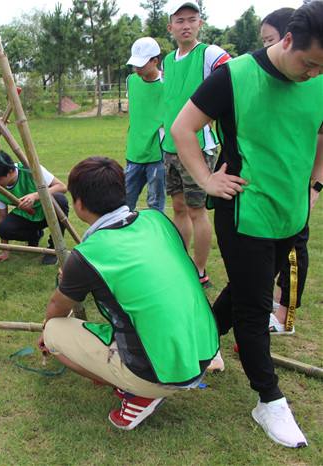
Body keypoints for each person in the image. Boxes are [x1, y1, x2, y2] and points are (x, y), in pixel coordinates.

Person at [171, 1, 323, 448]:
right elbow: (183, 128)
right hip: (246, 213)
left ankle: (201, 344)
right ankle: (269, 400)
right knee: (254, 308)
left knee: (245, 289)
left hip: (291, 213)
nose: (313, 74)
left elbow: (320, 135)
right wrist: (206, 178)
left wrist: (314, 186)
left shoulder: (319, 79)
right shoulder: (235, 76)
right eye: (309, 63)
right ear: (289, 40)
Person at [38, 157, 218, 431]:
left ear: (79, 204)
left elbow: (57, 308)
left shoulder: (88, 254)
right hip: (203, 350)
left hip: (158, 372)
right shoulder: (156, 220)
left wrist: (45, 329)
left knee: (53, 331)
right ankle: (149, 378)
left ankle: (141, 393)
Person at [162, 1, 231, 288]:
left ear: (200, 24)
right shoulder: (167, 60)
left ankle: (200, 269)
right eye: (180, 21)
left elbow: (233, 76)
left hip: (198, 146)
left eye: (192, 20)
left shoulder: (209, 54)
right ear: (170, 27)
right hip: (169, 146)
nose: (186, 25)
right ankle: (181, 260)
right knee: (178, 207)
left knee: (196, 209)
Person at [260, 7, 308, 335]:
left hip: (294, 188)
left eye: (270, 40)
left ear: (290, 39)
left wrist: (314, 188)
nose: (267, 48)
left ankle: (285, 316)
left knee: (292, 251)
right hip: (272, 185)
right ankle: (269, 308)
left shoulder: (308, 82)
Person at [0, 151, 68, 266]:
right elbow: (2, 216)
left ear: (10, 171)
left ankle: (53, 249)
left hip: (46, 213)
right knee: (3, 229)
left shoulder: (30, 169)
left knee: (60, 200)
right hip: (27, 216)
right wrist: (4, 251)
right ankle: (35, 235)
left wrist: (36, 196)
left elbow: (62, 187)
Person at [125, 37, 166, 212]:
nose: (137, 69)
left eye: (141, 65)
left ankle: (156, 237)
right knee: (124, 202)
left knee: (155, 203)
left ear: (155, 61)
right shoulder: (131, 81)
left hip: (158, 154)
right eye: (135, 64)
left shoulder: (168, 83)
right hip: (134, 152)